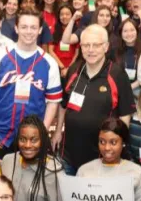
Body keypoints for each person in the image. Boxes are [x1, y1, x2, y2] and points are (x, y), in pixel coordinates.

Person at [0, 8, 62, 157]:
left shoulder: (49, 63)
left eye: (33, 27)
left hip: (31, 138)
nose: (28, 31)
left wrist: (42, 130)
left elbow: (53, 102)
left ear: (40, 30)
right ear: (16, 28)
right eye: (24, 27)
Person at [52, 24, 134, 173]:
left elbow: (125, 115)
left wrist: (117, 148)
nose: (90, 50)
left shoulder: (117, 75)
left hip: (101, 160)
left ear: (106, 47)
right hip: (68, 156)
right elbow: (63, 105)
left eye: (96, 45)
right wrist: (58, 131)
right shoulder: (73, 70)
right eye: (86, 45)